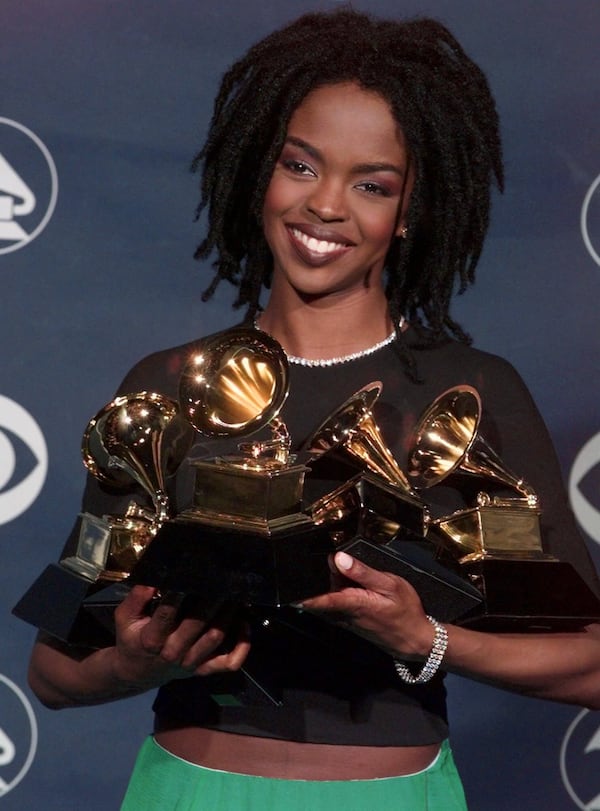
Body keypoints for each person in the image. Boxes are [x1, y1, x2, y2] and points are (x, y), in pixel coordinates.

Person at [26, 8, 600, 811]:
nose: (326, 206)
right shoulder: (162, 385)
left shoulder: (471, 392)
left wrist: (427, 640)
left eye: (372, 184)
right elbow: (51, 671)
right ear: (261, 170)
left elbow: (592, 665)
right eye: (301, 165)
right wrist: (139, 662)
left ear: (409, 214)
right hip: (187, 791)